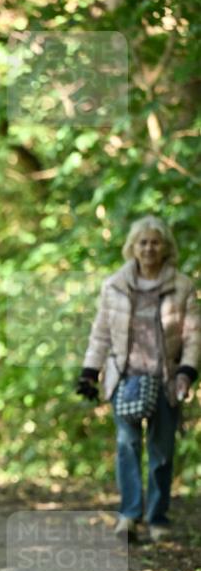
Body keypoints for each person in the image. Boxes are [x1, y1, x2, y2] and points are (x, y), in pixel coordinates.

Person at [77, 215, 200, 541]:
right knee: (127, 446)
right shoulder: (114, 285)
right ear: (133, 247)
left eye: (155, 242)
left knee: (161, 452)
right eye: (143, 242)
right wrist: (90, 372)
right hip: (124, 379)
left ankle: (157, 518)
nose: (148, 248)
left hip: (165, 379)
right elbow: (100, 333)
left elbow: (193, 336)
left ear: (165, 247)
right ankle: (129, 516)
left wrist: (187, 371)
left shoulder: (182, 285)